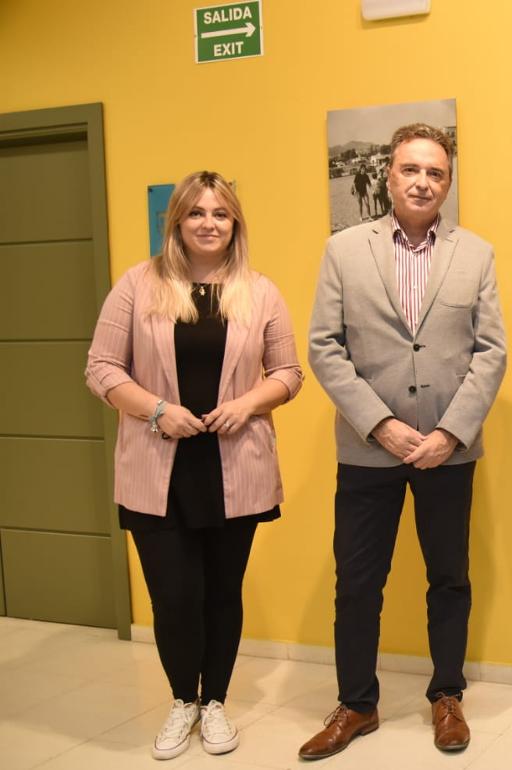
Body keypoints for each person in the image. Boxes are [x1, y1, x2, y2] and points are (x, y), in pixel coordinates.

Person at [300, 123, 506, 760]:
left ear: (448, 182)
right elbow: (324, 348)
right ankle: (357, 703)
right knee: (358, 582)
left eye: (435, 173)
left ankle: (447, 696)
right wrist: (380, 423)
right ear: (388, 175)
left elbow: (491, 352)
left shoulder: (476, 254)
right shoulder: (343, 250)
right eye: (410, 170)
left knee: (450, 578)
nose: (422, 181)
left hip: (449, 451)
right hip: (368, 451)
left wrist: (450, 432)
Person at [85, 170, 303, 760]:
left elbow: (289, 373)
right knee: (174, 597)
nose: (209, 224)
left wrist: (247, 404)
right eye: (197, 214)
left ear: (236, 224)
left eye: (221, 214)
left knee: (221, 594)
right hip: (157, 469)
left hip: (237, 467)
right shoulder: (137, 286)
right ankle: (183, 699)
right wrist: (157, 411)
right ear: (176, 222)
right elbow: (102, 368)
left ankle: (216, 705)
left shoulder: (260, 292)